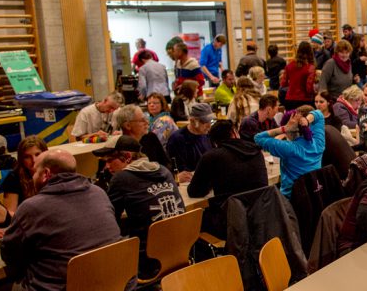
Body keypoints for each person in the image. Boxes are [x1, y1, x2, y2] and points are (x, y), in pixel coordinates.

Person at [0, 150, 121, 291]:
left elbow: (9, 254)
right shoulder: (99, 193)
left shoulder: (32, 207)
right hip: (114, 286)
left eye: (35, 171)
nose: (33, 177)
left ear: (46, 173)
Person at [102, 136, 184, 278]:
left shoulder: (121, 178)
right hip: (180, 250)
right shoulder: (164, 170)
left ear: (128, 157)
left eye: (110, 160)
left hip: (147, 261)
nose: (107, 167)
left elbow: (109, 222)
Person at [188, 120, 268, 239]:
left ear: (213, 141)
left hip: (229, 222)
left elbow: (195, 191)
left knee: (193, 220)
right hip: (260, 217)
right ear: (234, 133)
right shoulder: (256, 152)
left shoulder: (212, 156)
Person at [254, 106, 325, 198]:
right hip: (314, 195)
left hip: (290, 199)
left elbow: (258, 138)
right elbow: (319, 114)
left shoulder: (288, 148)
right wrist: (306, 121)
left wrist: (284, 128)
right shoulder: (319, 143)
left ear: (290, 130)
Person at [0, 137, 47, 216]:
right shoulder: (13, 178)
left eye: (37, 154)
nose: (34, 160)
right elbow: (10, 213)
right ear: (21, 159)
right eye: (27, 157)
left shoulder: (53, 172)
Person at [166, 102, 215, 176]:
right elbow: (178, 169)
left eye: (210, 121)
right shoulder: (177, 139)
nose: (209, 126)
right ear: (192, 121)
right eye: (204, 122)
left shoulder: (208, 135)